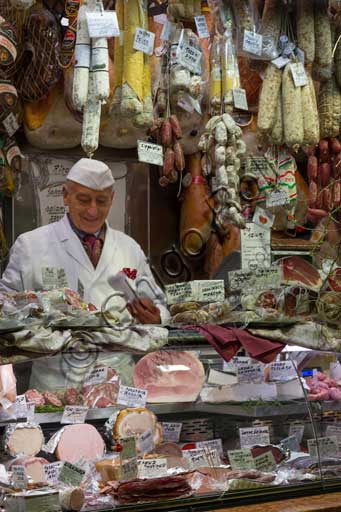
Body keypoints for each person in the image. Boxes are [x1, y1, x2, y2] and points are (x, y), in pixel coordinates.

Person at [0, 158, 169, 324]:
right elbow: (4, 304)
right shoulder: (29, 245)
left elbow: (158, 304)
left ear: (112, 199)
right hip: (52, 349)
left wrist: (158, 316)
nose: (93, 211)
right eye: (84, 200)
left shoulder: (130, 248)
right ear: (66, 196)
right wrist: (38, 308)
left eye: (101, 201)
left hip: (122, 349)